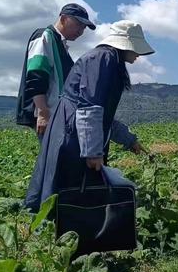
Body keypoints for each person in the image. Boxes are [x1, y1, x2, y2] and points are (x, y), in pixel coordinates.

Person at [25, 20, 153, 212]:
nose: (138, 55)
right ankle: (66, 234)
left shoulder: (110, 60)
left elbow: (103, 115)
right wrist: (92, 151)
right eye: (136, 49)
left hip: (77, 130)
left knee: (78, 190)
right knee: (72, 189)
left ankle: (74, 230)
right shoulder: (102, 59)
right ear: (124, 44)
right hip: (73, 133)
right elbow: (89, 107)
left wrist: (129, 140)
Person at [16, 3, 96, 140]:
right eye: (78, 24)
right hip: (48, 114)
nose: (81, 31)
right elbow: (36, 74)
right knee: (51, 159)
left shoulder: (59, 44)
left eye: (84, 28)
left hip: (56, 115)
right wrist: (42, 112)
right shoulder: (44, 36)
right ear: (64, 19)